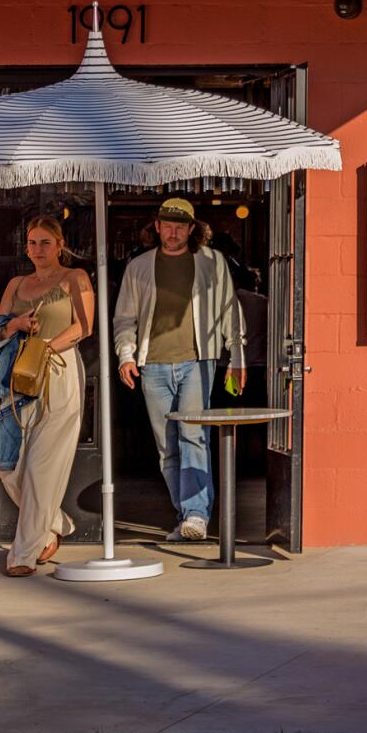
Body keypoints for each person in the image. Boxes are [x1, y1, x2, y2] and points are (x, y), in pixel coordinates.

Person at [113, 198, 246, 543]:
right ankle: (187, 514)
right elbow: (125, 318)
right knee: (166, 447)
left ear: (192, 229)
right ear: (156, 227)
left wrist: (237, 358)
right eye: (166, 226)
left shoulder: (211, 262)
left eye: (180, 227)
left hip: (197, 361)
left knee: (194, 437)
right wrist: (125, 355)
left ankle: (198, 515)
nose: (173, 233)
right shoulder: (139, 267)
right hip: (152, 364)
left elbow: (229, 309)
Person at [0, 214, 95, 574]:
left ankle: (22, 554)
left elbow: (84, 326)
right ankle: (56, 522)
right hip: (16, 375)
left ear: (60, 244)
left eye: (45, 243)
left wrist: (48, 347)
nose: (38, 249)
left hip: (59, 370)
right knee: (10, 469)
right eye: (33, 243)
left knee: (41, 466)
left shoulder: (74, 278)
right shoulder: (16, 283)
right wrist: (16, 326)